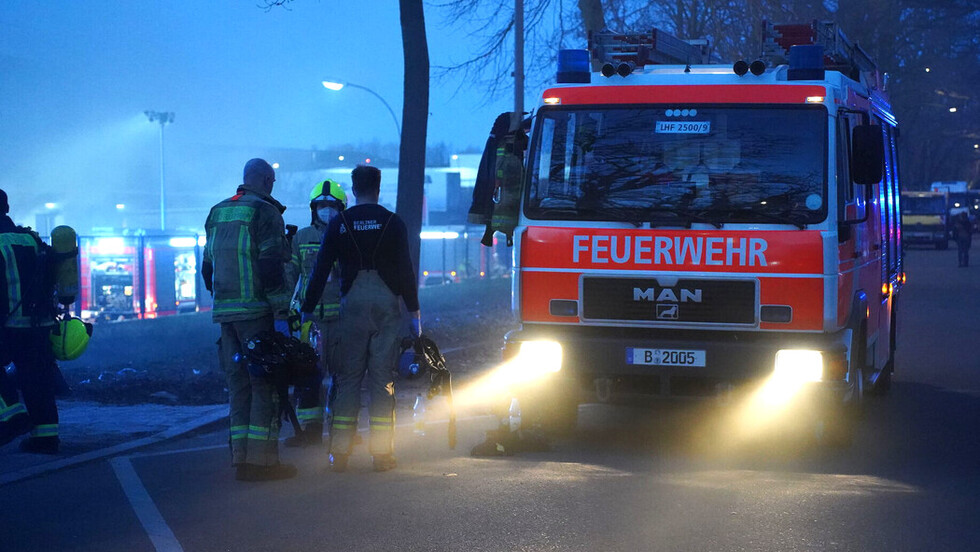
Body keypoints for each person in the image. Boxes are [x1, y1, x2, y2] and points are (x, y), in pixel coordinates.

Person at [302, 165, 420, 472]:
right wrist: (414, 313)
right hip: (386, 306)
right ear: (378, 189)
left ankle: (339, 453)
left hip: (351, 306)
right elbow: (406, 271)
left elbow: (321, 270)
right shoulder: (393, 223)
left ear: (354, 191)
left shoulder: (339, 223)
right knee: (382, 381)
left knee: (348, 379)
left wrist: (307, 308)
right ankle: (382, 455)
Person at [201, 159, 297, 481]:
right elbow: (271, 266)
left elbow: (207, 270)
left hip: (224, 315)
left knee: (238, 386)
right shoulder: (266, 212)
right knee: (264, 385)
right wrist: (282, 315)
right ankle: (262, 463)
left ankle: (240, 460)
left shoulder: (217, 213)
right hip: (256, 313)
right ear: (268, 181)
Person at [282, 179, 348, 447]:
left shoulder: (348, 235)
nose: (326, 210)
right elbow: (290, 276)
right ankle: (311, 428)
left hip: (343, 319)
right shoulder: (301, 237)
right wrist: (287, 310)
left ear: (340, 208)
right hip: (311, 321)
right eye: (321, 206)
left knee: (343, 376)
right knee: (309, 375)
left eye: (331, 206)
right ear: (313, 209)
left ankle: (343, 430)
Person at [0, 189, 61, 454]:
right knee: (38, 380)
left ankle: (12, 415)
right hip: (38, 323)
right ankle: (46, 437)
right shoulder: (32, 239)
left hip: (6, 323)